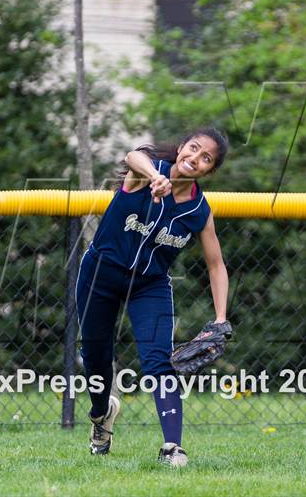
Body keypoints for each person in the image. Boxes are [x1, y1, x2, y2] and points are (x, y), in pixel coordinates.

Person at [75, 126, 229, 467]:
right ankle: (102, 414)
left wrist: (220, 318)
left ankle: (172, 447)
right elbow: (133, 156)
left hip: (150, 284)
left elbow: (216, 266)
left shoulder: (199, 212)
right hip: (101, 274)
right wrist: (152, 177)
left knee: (159, 361)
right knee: (96, 356)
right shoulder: (146, 173)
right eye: (193, 148)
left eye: (207, 158)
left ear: (210, 171)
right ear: (181, 147)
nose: (196, 158)